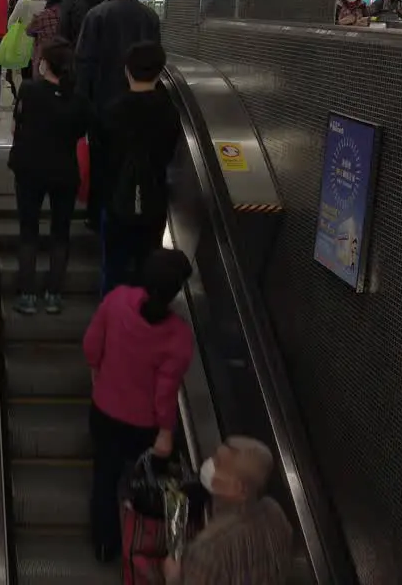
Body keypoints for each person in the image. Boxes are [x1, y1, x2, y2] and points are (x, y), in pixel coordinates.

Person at [83, 248, 195, 562]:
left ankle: (105, 545)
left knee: (104, 475)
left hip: (104, 411)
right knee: (137, 479)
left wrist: (97, 368)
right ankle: (139, 539)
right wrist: (165, 431)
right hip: (143, 425)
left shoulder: (117, 300)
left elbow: (91, 344)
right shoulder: (178, 335)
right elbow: (165, 391)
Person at [76, 0, 163, 233]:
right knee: (138, 159)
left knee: (102, 163)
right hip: (144, 102)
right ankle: (133, 210)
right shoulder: (149, 16)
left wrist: (82, 105)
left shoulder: (98, 15)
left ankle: (98, 214)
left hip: (104, 103)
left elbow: (85, 62)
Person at [7, 40, 88, 316]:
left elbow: (16, 124)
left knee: (28, 230)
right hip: (64, 171)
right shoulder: (78, 98)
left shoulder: (29, 89)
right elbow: (79, 133)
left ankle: (28, 295)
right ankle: (54, 294)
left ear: (46, 64)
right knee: (60, 232)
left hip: (29, 169)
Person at [98, 41, 179, 293]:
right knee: (148, 265)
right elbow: (168, 154)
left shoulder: (112, 110)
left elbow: (102, 158)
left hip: (115, 200)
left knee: (114, 266)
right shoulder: (169, 111)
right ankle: (143, 319)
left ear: (127, 70)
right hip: (154, 199)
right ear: (159, 71)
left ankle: (114, 318)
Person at [162, 437, 295, 584]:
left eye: (217, 463)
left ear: (238, 488)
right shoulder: (274, 511)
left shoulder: (207, 551)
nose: (209, 464)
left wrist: (173, 578)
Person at [26, 0, 65, 80]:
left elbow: (28, 31)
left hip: (44, 62)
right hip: (65, 60)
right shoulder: (67, 11)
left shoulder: (42, 16)